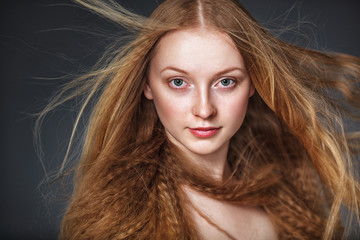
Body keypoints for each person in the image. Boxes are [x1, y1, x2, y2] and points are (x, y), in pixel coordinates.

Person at [37, 0, 360, 239]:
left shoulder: (285, 198)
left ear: (253, 84)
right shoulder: (124, 217)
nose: (204, 109)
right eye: (178, 82)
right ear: (147, 85)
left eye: (226, 81)